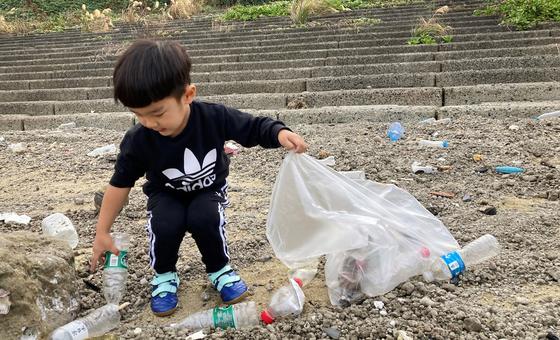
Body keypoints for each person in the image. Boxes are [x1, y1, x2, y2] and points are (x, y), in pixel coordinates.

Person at [89, 40, 308, 317]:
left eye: (157, 113)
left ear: (188, 95)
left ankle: (219, 269)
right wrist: (102, 231)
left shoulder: (213, 117)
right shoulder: (138, 140)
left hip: (208, 188)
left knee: (205, 217)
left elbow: (252, 127)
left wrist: (279, 133)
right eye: (138, 115)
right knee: (165, 223)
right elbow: (120, 183)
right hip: (164, 192)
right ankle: (165, 275)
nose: (149, 123)